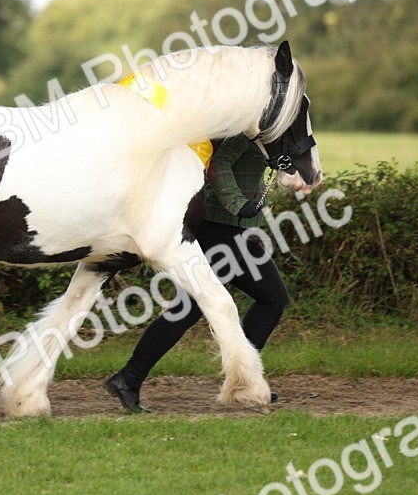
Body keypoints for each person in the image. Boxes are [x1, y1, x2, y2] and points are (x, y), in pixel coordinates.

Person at [104, 134, 287, 412]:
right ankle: (128, 379)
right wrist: (238, 203)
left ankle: (242, 378)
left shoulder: (260, 134)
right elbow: (220, 163)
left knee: (269, 298)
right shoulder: (241, 133)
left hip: (235, 233)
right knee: (193, 309)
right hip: (220, 231)